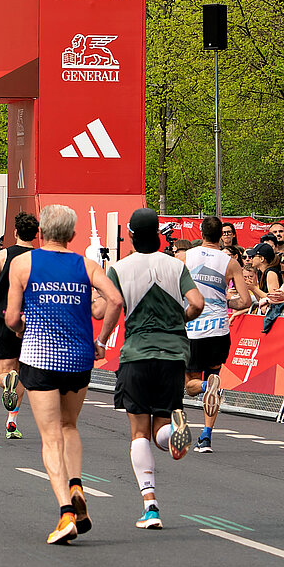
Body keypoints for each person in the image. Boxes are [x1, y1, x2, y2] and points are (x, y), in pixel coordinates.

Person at [91, 208, 206, 530]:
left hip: (137, 355)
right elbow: (197, 303)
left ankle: (151, 505)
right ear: (158, 233)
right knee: (160, 428)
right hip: (173, 355)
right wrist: (176, 321)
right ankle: (174, 432)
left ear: (129, 235)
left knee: (139, 433)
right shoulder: (175, 265)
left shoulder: (120, 268)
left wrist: (101, 337)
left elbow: (105, 308)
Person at [5, 205, 103, 543]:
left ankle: (66, 514)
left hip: (39, 357)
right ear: (73, 235)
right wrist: (101, 339)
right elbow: (115, 299)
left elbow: (12, 317)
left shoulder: (22, 263)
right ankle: (77, 485)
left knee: (50, 438)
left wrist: (20, 329)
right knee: (70, 426)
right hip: (79, 359)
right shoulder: (86, 264)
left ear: (41, 233)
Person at [184, 215, 255, 452]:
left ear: (201, 233)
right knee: (213, 377)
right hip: (219, 329)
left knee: (191, 385)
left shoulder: (184, 257)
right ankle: (206, 435)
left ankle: (206, 386)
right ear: (221, 237)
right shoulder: (231, 263)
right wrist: (226, 301)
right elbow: (245, 300)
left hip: (193, 329)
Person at [0, 211, 39, 438]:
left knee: (3, 371)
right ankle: (11, 421)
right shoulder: (39, 257)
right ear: (36, 234)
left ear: (15, 232)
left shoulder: (3, 255)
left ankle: (6, 381)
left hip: (4, 317)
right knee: (22, 372)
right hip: (30, 320)